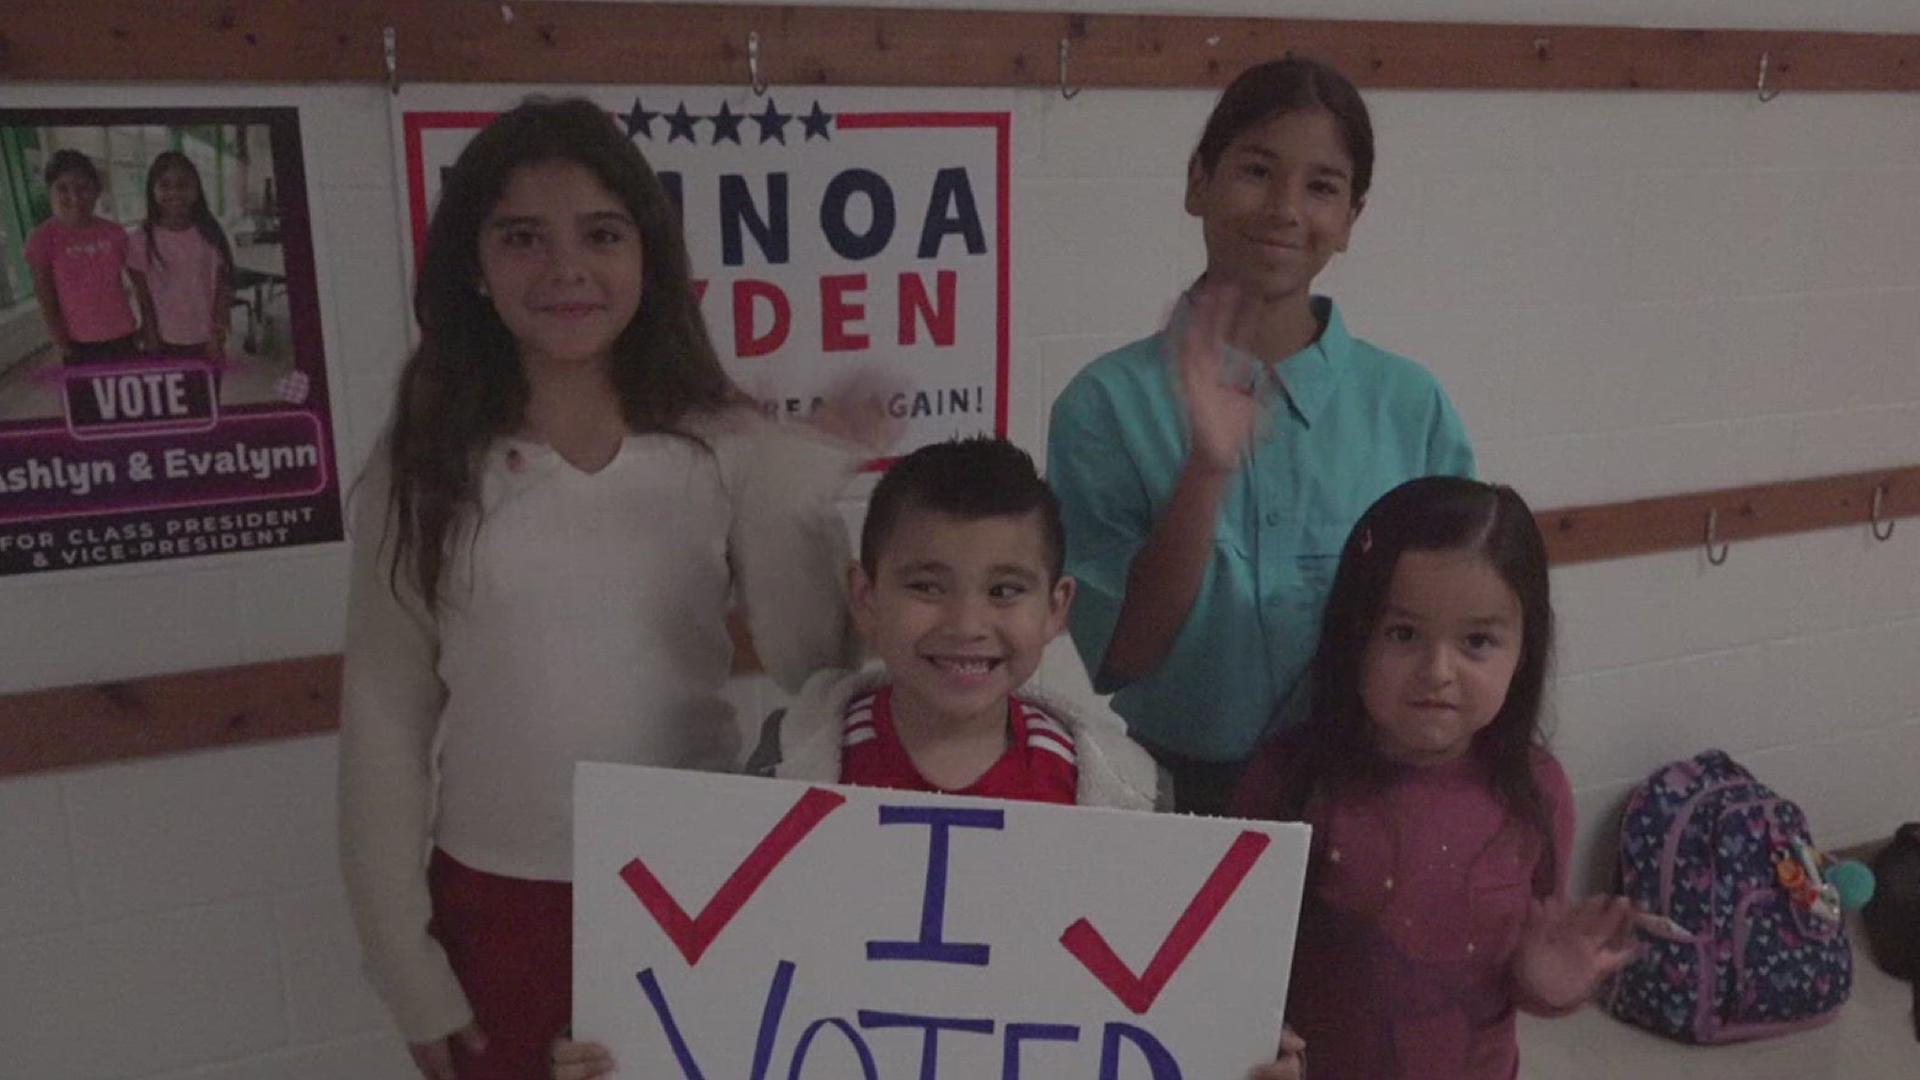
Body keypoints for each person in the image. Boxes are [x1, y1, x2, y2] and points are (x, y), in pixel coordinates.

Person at [337, 97, 891, 1080]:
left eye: (601, 234)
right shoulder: (421, 463)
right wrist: (404, 964)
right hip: (500, 904)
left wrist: (799, 500)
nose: (565, 271)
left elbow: (818, 670)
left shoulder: (722, 443)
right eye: (521, 238)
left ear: (649, 256)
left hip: (693, 882)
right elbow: (383, 721)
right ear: (475, 261)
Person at [556, 439, 1304, 1080]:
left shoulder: (1122, 800)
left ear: (1056, 609)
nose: (966, 624)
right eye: (925, 586)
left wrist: (1231, 1047)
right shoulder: (790, 769)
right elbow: (725, 995)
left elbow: (1154, 1016)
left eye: (1005, 590)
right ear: (866, 596)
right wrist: (624, 1049)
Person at [1047, 57, 1476, 814]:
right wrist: (1207, 471)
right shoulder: (1105, 404)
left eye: (1321, 186)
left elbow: (1469, 626)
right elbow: (1120, 656)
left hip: (1377, 792)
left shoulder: (1411, 404)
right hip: (1177, 790)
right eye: (1255, 170)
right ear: (1197, 182)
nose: (1284, 208)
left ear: (1351, 218)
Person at [1234, 476, 1638, 1079]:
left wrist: (1548, 983)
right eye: (1403, 634)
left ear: (1523, 650)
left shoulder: (1537, 790)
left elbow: (1525, 977)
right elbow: (1234, 960)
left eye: (1477, 640)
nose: (1437, 671)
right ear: (1355, 635)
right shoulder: (1291, 778)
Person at [25, 149, 141, 364]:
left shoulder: (115, 233)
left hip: (123, 337)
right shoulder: (42, 238)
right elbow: (45, 293)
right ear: (49, 191)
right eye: (63, 189)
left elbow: (139, 280)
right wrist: (58, 339)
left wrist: (148, 326)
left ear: (97, 191)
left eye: (83, 188)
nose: (74, 198)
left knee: (126, 397)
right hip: (77, 343)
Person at [127, 151, 234, 362]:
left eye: (183, 184)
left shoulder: (210, 233)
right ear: (152, 190)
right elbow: (143, 295)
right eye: (165, 185)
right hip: (164, 339)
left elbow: (223, 286)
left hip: (206, 340)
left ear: (196, 191)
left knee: (206, 394)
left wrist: (218, 333)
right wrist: (150, 333)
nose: (175, 192)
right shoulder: (140, 239)